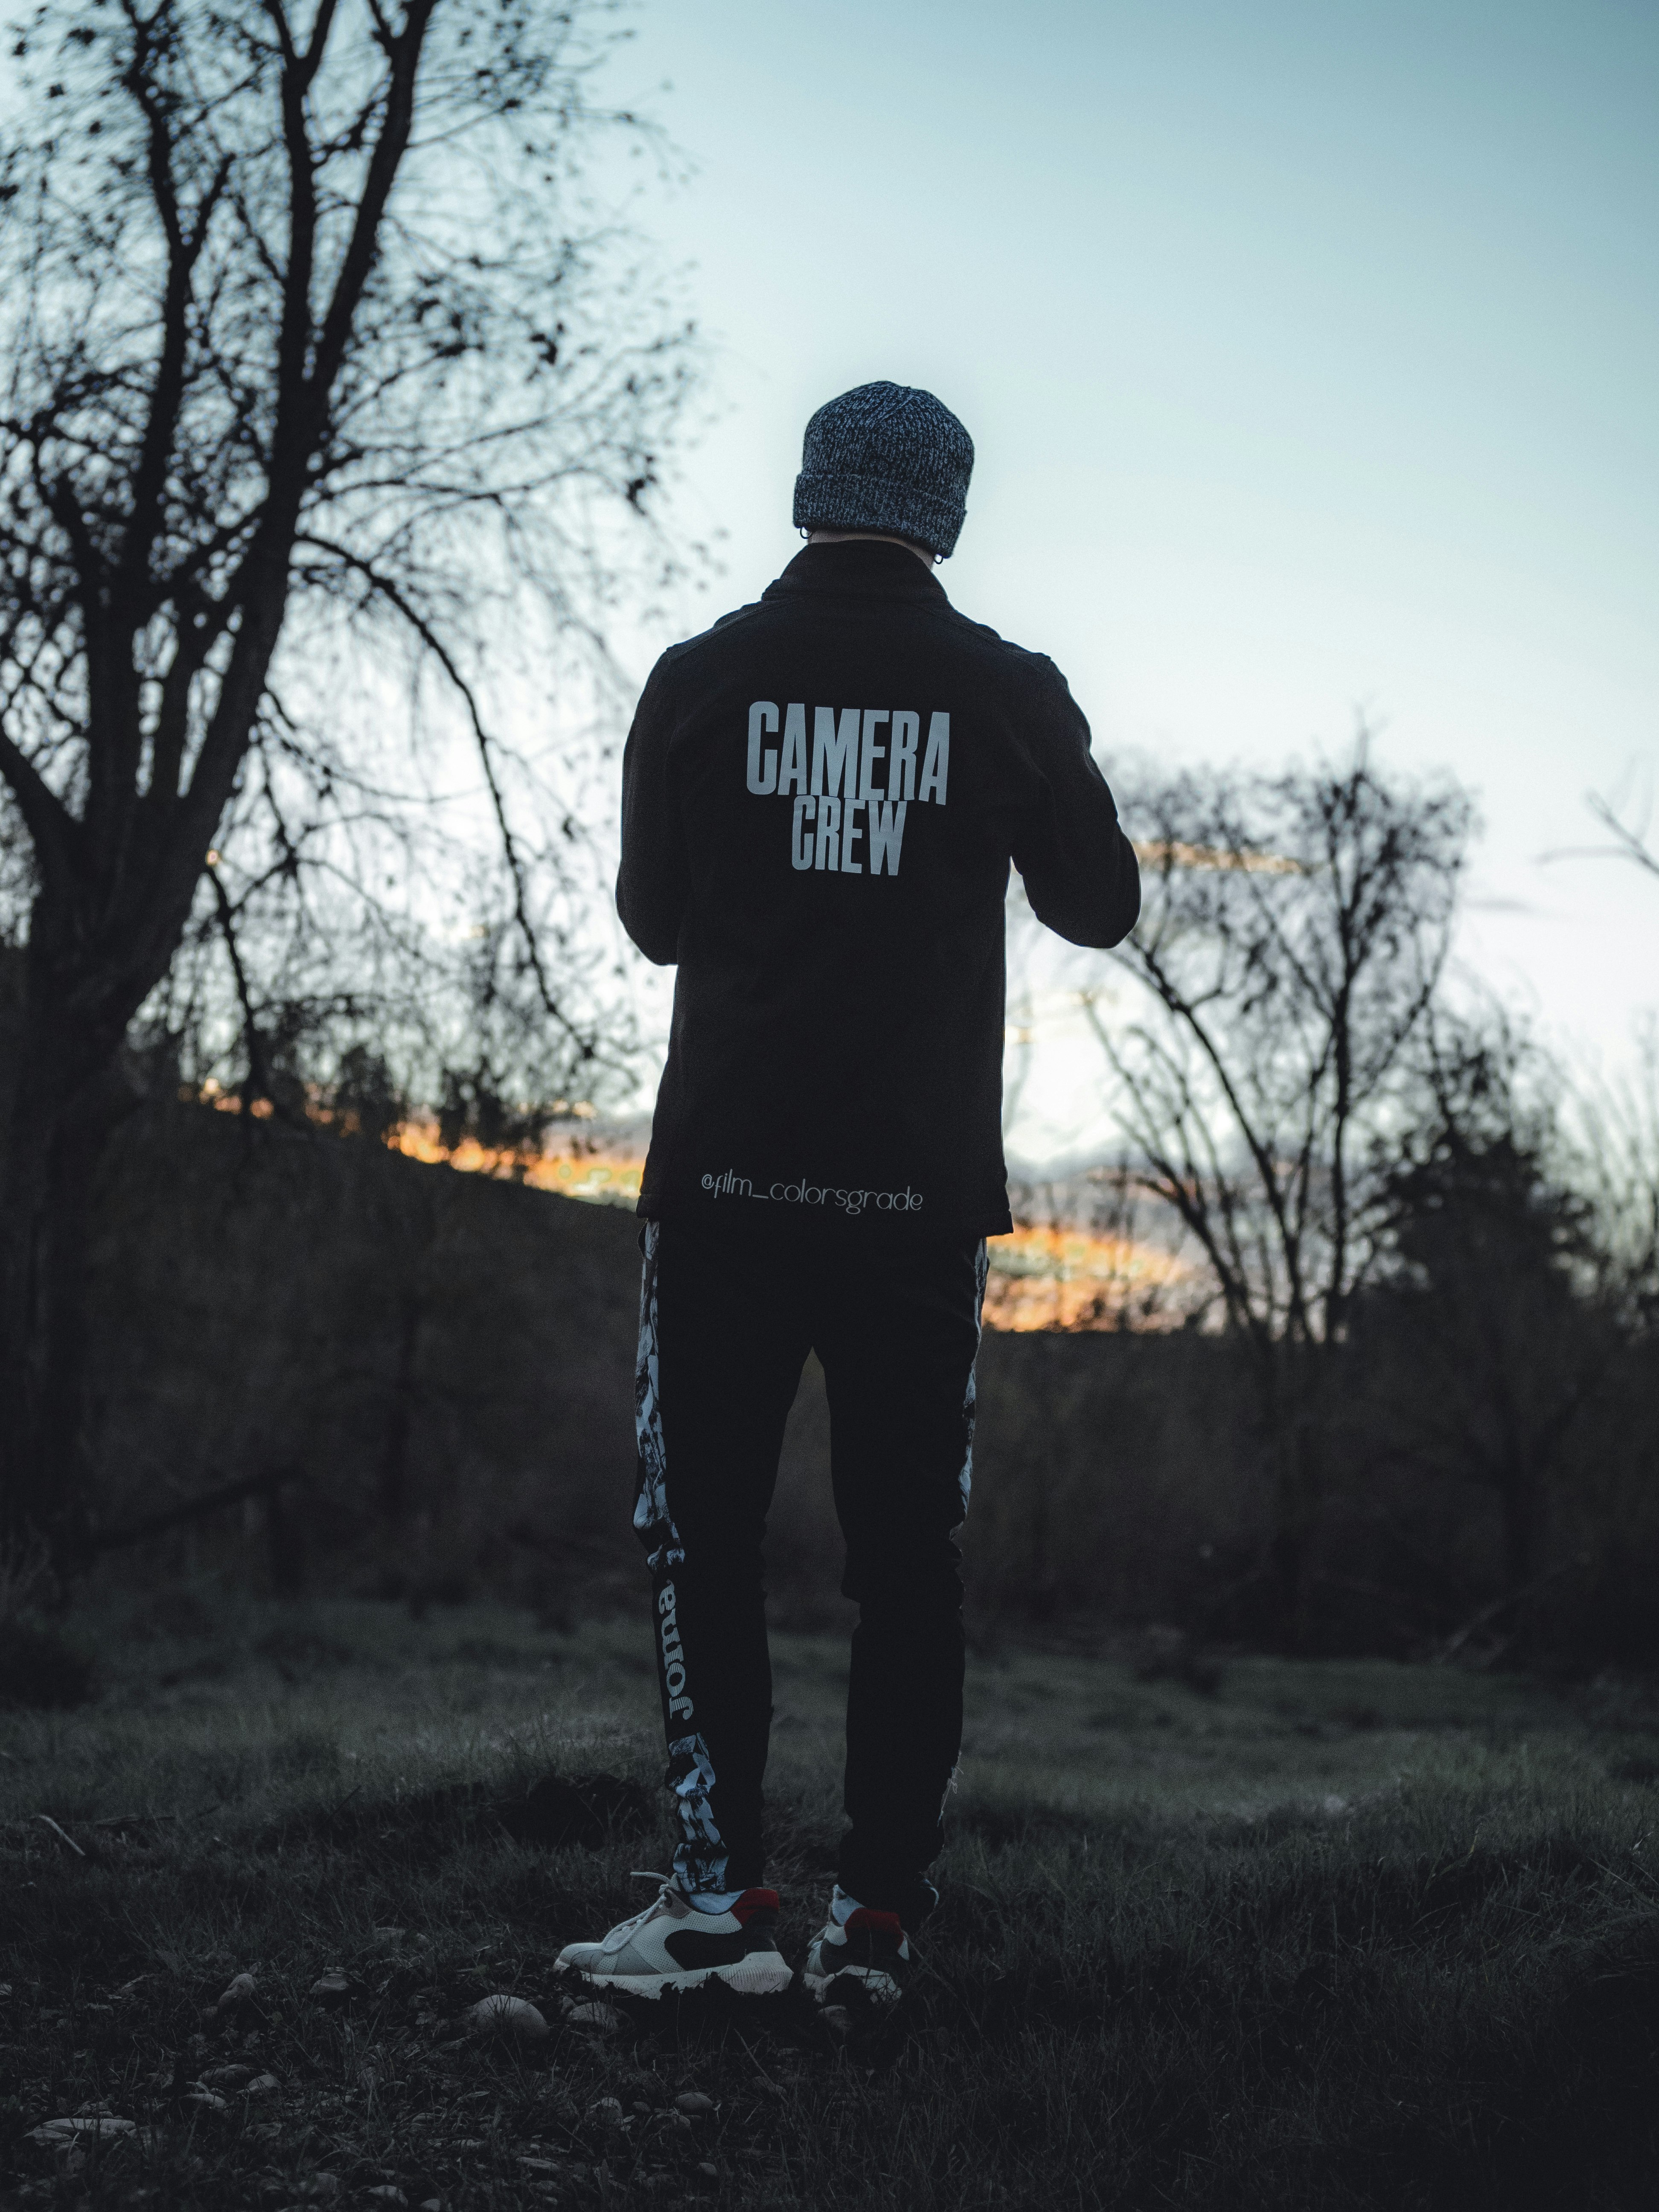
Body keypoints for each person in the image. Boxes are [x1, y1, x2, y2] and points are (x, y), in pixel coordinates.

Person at [554, 381, 1140, 2004]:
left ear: (811, 493)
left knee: (704, 1545)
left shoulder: (699, 679)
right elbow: (1100, 907)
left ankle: (716, 1905)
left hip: (725, 1189)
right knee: (907, 1560)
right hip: (913, 1206)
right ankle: (874, 1922)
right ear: (944, 515)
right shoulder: (1009, 691)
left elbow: (657, 922)